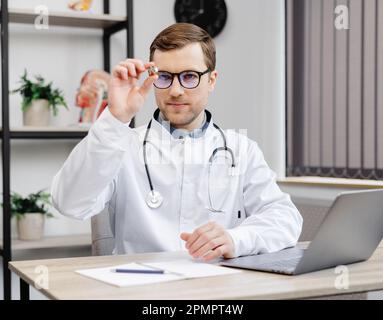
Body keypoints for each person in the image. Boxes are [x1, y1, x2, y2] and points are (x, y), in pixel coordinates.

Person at [51, 23, 303, 261]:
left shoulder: (241, 150)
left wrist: (236, 239)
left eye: (190, 76)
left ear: (211, 80)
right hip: (140, 290)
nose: (175, 90)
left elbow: (285, 219)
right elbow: (69, 203)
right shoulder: (121, 143)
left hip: (217, 289)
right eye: (164, 76)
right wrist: (115, 119)